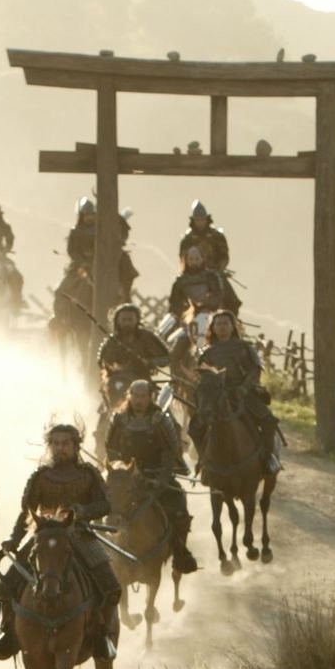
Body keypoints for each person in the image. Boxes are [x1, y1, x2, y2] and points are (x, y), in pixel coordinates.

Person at [0, 423, 121, 661]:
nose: (60, 448)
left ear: (75, 446)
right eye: (56, 443)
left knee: (111, 587)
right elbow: (27, 512)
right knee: (6, 587)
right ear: (49, 446)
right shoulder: (40, 477)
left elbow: (104, 505)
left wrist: (80, 511)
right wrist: (14, 538)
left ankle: (102, 634)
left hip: (80, 536)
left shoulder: (89, 474)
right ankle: (8, 632)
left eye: (66, 443)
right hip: (44, 537)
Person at [104, 380, 199, 573]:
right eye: (136, 396)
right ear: (129, 396)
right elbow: (111, 449)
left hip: (153, 477)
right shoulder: (119, 420)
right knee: (99, 506)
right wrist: (120, 471)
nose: (139, 400)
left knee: (178, 506)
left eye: (143, 396)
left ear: (150, 397)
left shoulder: (160, 420)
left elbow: (170, 451)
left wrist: (160, 481)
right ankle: (99, 554)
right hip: (124, 477)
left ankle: (180, 552)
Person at [193, 310, 278, 457]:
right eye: (218, 324)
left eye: (226, 323)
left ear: (233, 326)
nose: (222, 327)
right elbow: (203, 376)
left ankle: (269, 459)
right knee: (195, 427)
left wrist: (243, 389)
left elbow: (254, 370)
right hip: (215, 395)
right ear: (212, 327)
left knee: (268, 420)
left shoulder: (244, 347)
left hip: (243, 393)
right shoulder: (207, 353)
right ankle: (204, 461)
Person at [96, 304, 170, 407]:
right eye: (124, 320)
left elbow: (166, 358)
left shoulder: (146, 338)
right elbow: (102, 362)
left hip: (142, 382)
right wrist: (115, 368)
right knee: (107, 411)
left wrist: (149, 362)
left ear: (137, 320)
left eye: (130, 320)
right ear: (117, 321)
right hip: (115, 383)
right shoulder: (111, 341)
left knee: (158, 414)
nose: (127, 323)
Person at [167, 243, 239, 322]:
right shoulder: (180, 281)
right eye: (191, 259)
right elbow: (175, 302)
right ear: (186, 261)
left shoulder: (211, 277)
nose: (194, 262)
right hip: (186, 317)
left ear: (202, 259)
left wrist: (205, 307)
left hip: (209, 315)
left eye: (197, 259)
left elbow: (217, 296)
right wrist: (183, 311)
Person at [178, 200, 231, 273]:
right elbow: (182, 259)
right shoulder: (187, 240)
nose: (200, 222)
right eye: (197, 220)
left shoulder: (217, 237)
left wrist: (219, 270)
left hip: (215, 272)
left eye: (202, 219)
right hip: (191, 273)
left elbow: (224, 256)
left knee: (223, 284)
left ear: (206, 219)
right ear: (193, 220)